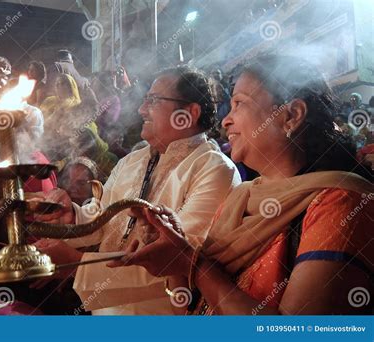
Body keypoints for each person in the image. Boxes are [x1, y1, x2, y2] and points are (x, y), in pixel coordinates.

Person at [109, 55, 374, 315]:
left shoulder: (341, 204)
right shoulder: (241, 198)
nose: (226, 120)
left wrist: (193, 263)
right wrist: (173, 250)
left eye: (239, 104)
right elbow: (191, 310)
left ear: (291, 115)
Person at [30, 66, 242, 315]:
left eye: (153, 101)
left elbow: (180, 260)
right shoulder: (133, 160)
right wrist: (73, 217)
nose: (142, 110)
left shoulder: (214, 170)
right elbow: (102, 216)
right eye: (144, 101)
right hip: (106, 311)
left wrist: (77, 265)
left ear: (190, 112)